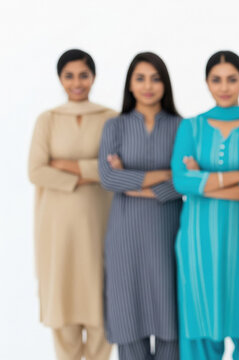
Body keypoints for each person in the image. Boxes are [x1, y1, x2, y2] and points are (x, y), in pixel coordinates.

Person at [171, 50, 239, 360]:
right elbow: (180, 181)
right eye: (216, 80)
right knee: (199, 321)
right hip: (197, 244)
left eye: (231, 79)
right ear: (206, 83)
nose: (224, 87)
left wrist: (204, 179)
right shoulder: (191, 126)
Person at [28, 49, 116, 360]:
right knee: (62, 306)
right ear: (60, 78)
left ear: (93, 77)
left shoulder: (111, 119)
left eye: (83, 75)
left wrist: (69, 165)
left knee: (101, 308)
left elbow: (115, 171)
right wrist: (91, 170)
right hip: (56, 230)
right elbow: (36, 170)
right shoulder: (48, 120)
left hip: (99, 225)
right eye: (69, 75)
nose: (77, 82)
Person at [98, 52, 182, 359]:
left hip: (167, 236)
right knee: (128, 320)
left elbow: (183, 183)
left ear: (165, 83)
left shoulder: (181, 126)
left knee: (169, 320)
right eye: (141, 78)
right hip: (124, 238)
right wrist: (163, 176)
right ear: (130, 85)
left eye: (155, 78)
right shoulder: (114, 127)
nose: (148, 86)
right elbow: (107, 177)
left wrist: (132, 182)